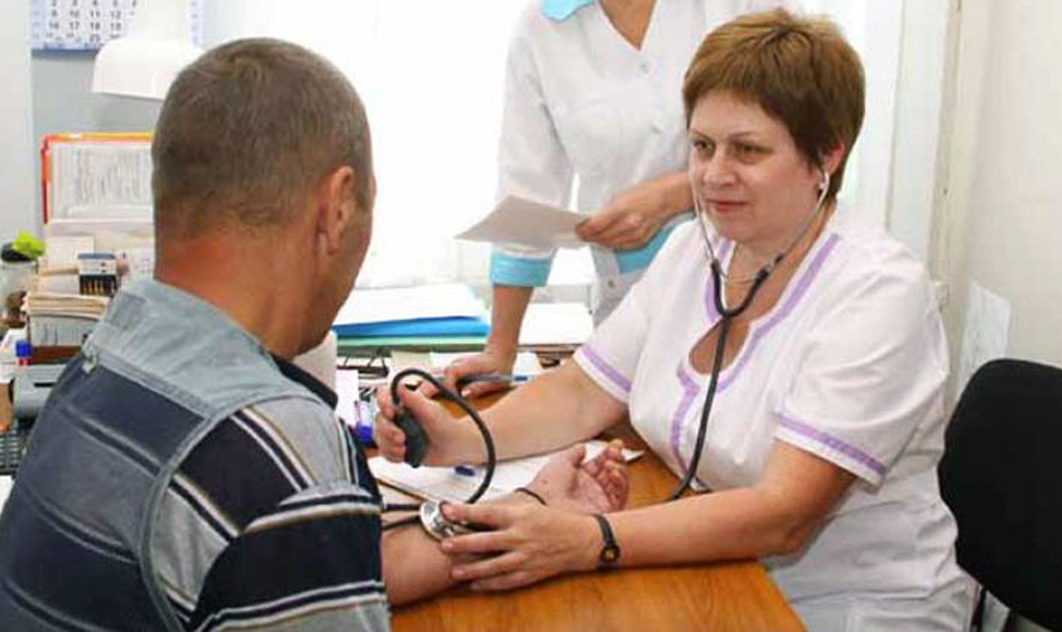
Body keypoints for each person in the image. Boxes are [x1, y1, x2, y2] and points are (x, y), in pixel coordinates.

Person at [0, 38, 628, 630]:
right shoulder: (275, 447)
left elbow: (275, 564)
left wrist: (527, 512)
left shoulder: (109, 353)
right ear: (338, 207)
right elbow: (281, 521)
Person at [377, 10, 974, 630]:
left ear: (827, 153)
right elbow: (582, 391)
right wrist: (460, 440)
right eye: (702, 146)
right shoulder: (698, 248)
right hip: (717, 574)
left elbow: (785, 514)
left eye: (748, 150)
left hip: (858, 605)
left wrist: (591, 539)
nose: (714, 175)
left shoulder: (878, 292)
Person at [433, 0, 802, 399]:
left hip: (769, 282)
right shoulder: (541, 28)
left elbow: (809, 136)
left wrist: (673, 196)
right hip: (633, 306)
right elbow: (527, 190)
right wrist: (500, 350)